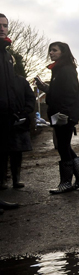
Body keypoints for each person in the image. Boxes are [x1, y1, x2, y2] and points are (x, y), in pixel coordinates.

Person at [33, 42, 79, 194]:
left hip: (63, 115)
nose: (51, 53)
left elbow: (70, 93)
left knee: (63, 146)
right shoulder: (58, 70)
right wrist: (44, 87)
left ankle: (66, 183)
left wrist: (65, 114)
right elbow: (57, 92)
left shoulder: (66, 70)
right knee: (65, 146)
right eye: (50, 50)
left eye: (54, 50)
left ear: (63, 52)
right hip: (61, 114)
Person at [0, 14, 23, 212]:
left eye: (5, 25)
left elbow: (9, 86)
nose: (2, 28)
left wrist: (14, 108)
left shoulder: (7, 55)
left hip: (6, 113)